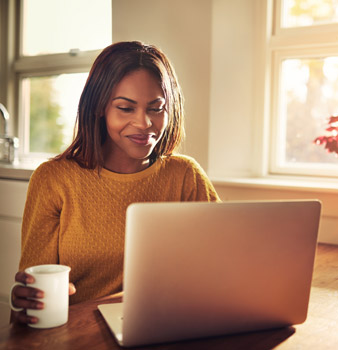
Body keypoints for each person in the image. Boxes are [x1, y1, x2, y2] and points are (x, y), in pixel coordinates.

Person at [10, 41, 219, 325]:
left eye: (156, 108)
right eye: (125, 108)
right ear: (99, 107)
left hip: (166, 326)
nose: (144, 123)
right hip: (78, 335)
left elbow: (223, 267)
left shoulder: (186, 176)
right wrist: (27, 302)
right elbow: (31, 297)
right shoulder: (54, 179)